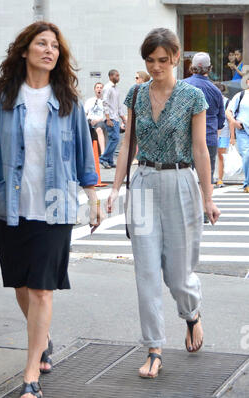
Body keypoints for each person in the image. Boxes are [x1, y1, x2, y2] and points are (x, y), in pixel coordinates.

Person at [0, 21, 103, 398]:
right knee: (21, 285)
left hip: (55, 206)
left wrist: (93, 200)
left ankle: (30, 373)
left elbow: (84, 155)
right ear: (24, 50)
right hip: (10, 205)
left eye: (55, 46)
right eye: (41, 43)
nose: (50, 50)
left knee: (43, 289)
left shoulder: (68, 100)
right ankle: (41, 337)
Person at [107, 28, 220, 379]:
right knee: (146, 272)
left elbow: (201, 149)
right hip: (142, 184)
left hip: (180, 182)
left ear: (175, 58)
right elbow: (128, 145)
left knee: (179, 274)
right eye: (150, 60)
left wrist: (207, 196)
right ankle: (154, 348)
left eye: (163, 59)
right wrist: (113, 189)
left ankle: (191, 313)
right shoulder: (136, 94)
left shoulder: (191, 97)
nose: (156, 66)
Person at [184, 52, 225, 222]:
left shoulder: (182, 86)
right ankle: (203, 210)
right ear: (210, 68)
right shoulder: (215, 90)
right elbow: (221, 121)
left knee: (185, 175)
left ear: (192, 67)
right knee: (205, 177)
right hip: (208, 138)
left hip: (185, 138)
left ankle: (187, 210)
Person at [99, 69, 127, 169]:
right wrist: (108, 119)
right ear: (111, 76)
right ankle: (103, 158)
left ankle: (110, 161)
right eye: (116, 76)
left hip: (115, 118)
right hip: (110, 118)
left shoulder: (116, 89)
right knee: (115, 138)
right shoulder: (107, 88)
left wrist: (123, 119)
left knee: (113, 139)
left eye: (118, 76)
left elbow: (118, 106)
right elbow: (104, 103)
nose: (118, 78)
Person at [226, 77, 249, 192]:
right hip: (243, 130)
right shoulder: (240, 95)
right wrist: (233, 122)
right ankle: (247, 183)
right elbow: (228, 111)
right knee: (247, 155)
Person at [214, 83, 235, 188]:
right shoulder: (210, 100)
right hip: (212, 132)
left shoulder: (227, 102)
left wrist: (232, 137)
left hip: (224, 133)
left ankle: (220, 179)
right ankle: (212, 179)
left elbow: (230, 121)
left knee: (221, 156)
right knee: (209, 156)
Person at [84, 82, 106, 155]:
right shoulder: (89, 101)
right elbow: (85, 113)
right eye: (97, 87)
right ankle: (84, 152)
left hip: (100, 121)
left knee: (99, 129)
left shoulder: (105, 101)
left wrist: (97, 120)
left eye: (101, 87)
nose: (99, 89)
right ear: (94, 90)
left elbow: (106, 115)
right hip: (89, 120)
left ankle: (103, 153)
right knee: (83, 128)